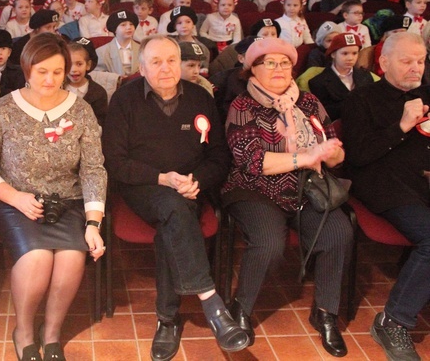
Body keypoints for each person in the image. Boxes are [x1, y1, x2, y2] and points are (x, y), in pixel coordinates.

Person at [103, 35, 249, 359]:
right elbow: (116, 162)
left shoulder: (200, 96)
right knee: (172, 207)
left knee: (173, 219)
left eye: (171, 60)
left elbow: (220, 155)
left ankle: (167, 320)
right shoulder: (124, 101)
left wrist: (197, 180)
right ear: (141, 68)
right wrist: (161, 178)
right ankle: (211, 302)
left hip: (189, 188)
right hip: (143, 186)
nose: (166, 68)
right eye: (156, 62)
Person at [0, 33, 107, 361]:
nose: (50, 79)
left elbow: (93, 169)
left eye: (58, 72)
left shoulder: (81, 110)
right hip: (15, 201)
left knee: (71, 258)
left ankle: (52, 333)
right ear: (28, 68)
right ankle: (25, 331)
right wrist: (14, 197)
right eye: (42, 71)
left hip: (67, 200)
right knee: (38, 258)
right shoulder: (3, 109)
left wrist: (93, 222)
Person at [222, 37, 352, 357]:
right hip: (254, 188)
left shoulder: (308, 102)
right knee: (269, 242)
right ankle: (241, 307)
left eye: (284, 63)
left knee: (339, 233)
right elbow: (251, 161)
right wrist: (307, 157)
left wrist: (330, 153)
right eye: (270, 62)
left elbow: (334, 152)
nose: (279, 68)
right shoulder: (243, 105)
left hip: (305, 187)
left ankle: (325, 312)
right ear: (252, 69)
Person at [341, 32, 429, 361]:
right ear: (384, 63)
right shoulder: (361, 99)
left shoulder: (428, 94)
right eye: (406, 61)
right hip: (383, 182)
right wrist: (402, 126)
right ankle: (392, 321)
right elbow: (359, 156)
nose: (415, 68)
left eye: (420, 61)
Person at [309, 32, 373, 120]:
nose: (350, 58)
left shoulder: (365, 76)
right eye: (345, 53)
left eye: (354, 53)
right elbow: (323, 114)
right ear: (333, 54)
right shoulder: (318, 82)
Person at [95, 9, 140, 76]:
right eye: (123, 25)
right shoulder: (101, 52)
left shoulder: (142, 49)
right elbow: (98, 75)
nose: (128, 27)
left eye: (131, 24)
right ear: (114, 29)